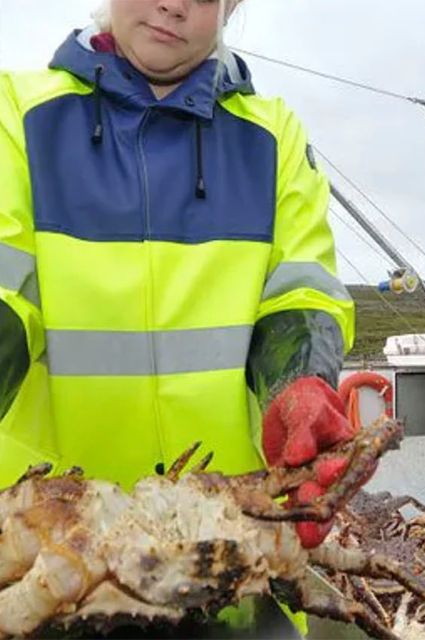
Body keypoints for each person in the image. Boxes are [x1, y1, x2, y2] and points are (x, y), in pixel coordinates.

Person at [0, 0, 359, 552]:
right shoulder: (17, 114)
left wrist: (299, 386)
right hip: (48, 543)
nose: (173, 5)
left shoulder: (273, 135)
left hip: (235, 541)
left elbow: (300, 296)